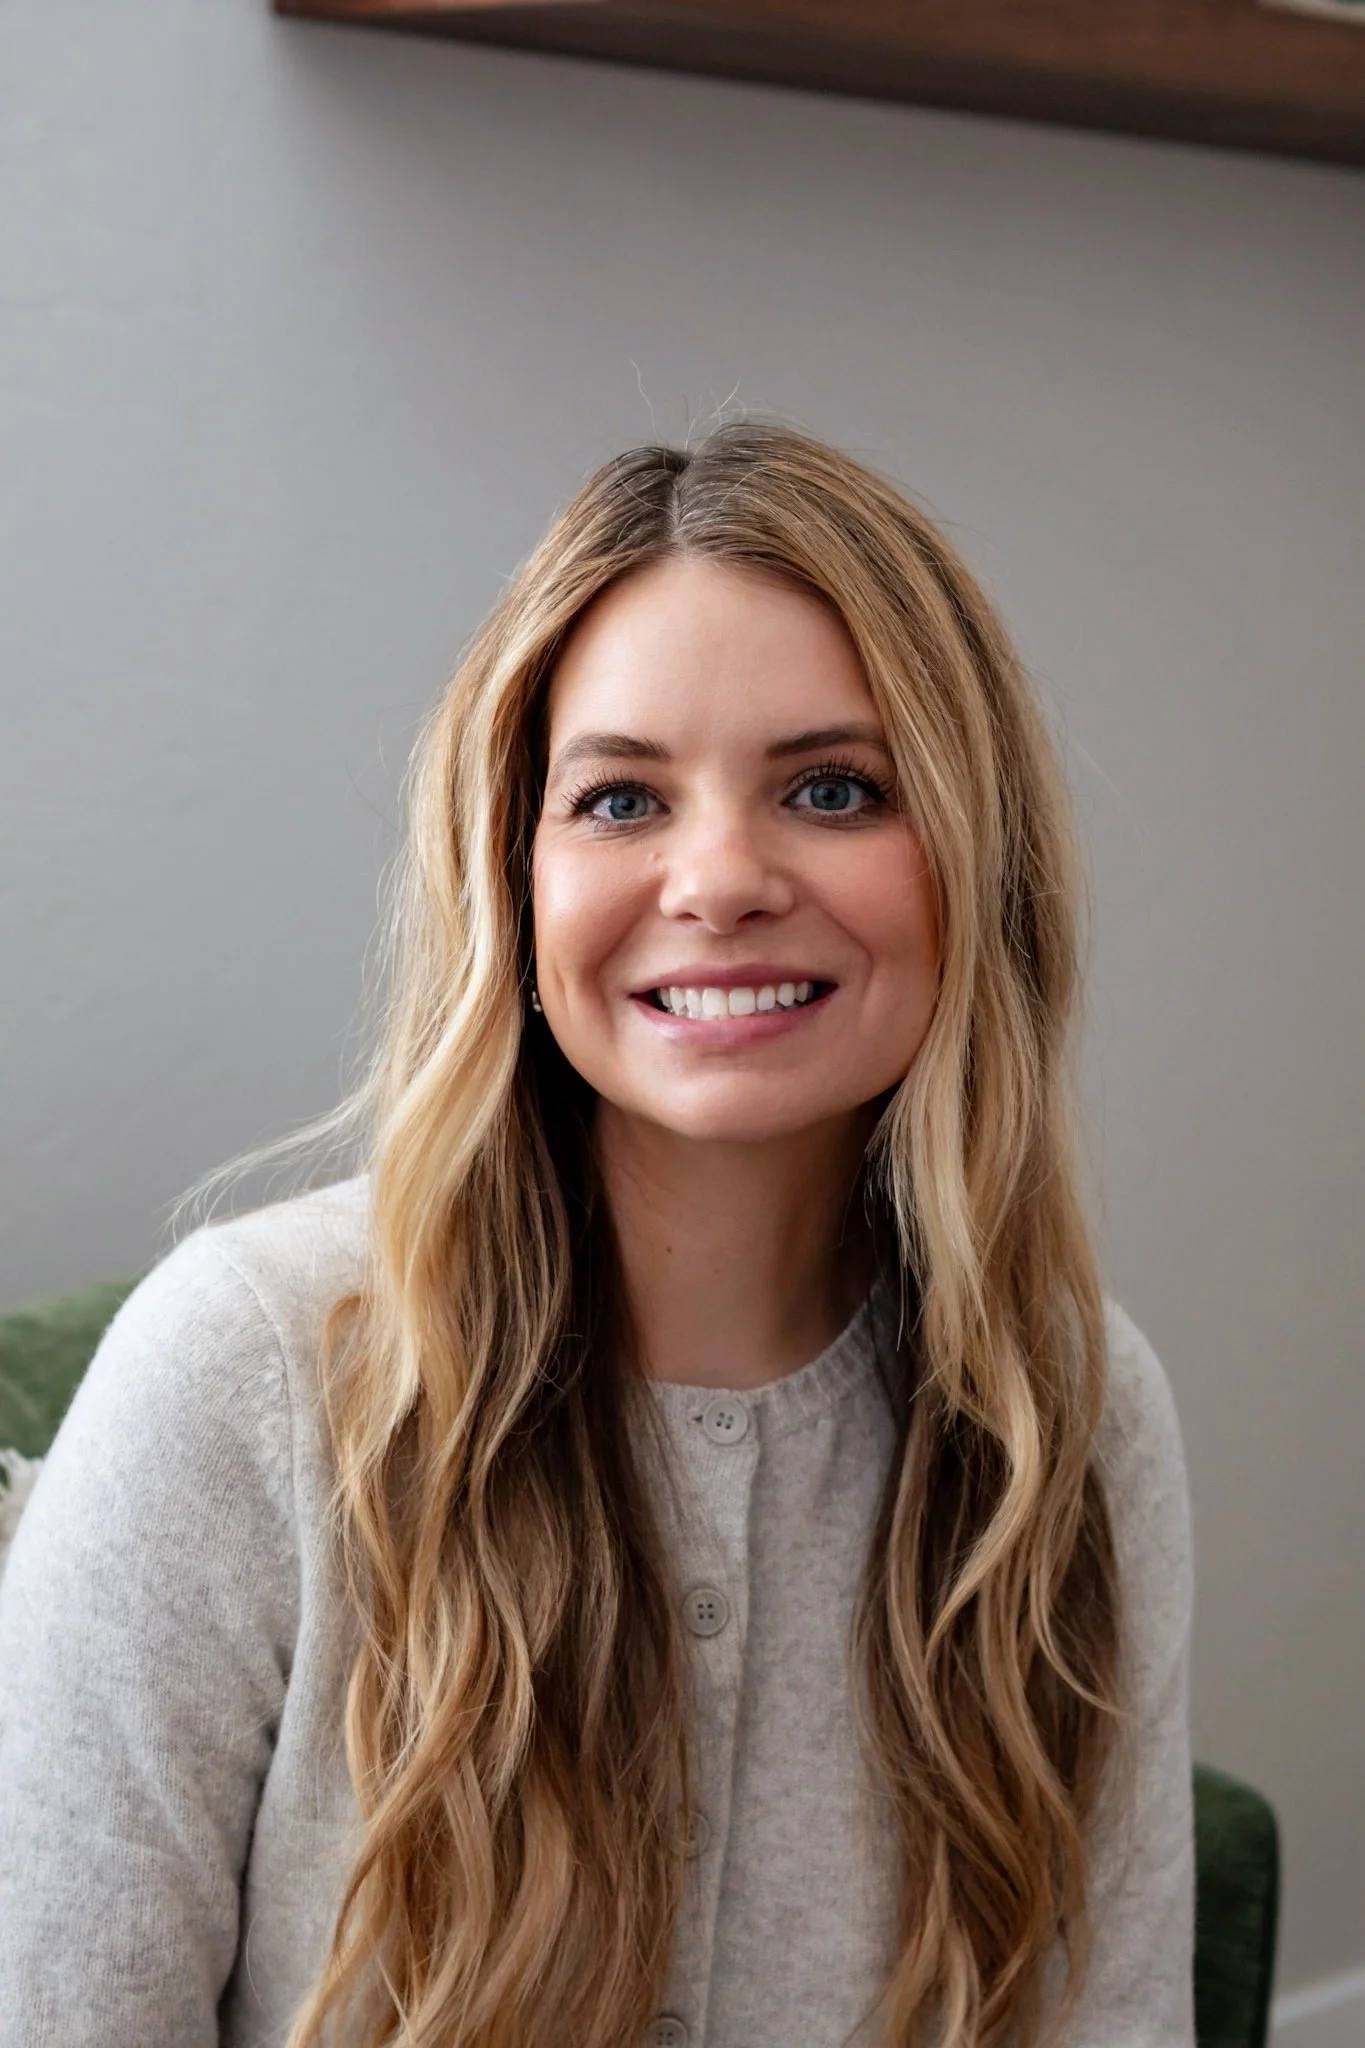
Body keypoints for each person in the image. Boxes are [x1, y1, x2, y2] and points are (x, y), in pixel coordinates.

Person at [0, 422, 1195, 2048]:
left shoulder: (1078, 1409)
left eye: (833, 789)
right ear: (513, 873)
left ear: (981, 864)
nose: (719, 880)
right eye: (621, 797)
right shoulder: (242, 1373)